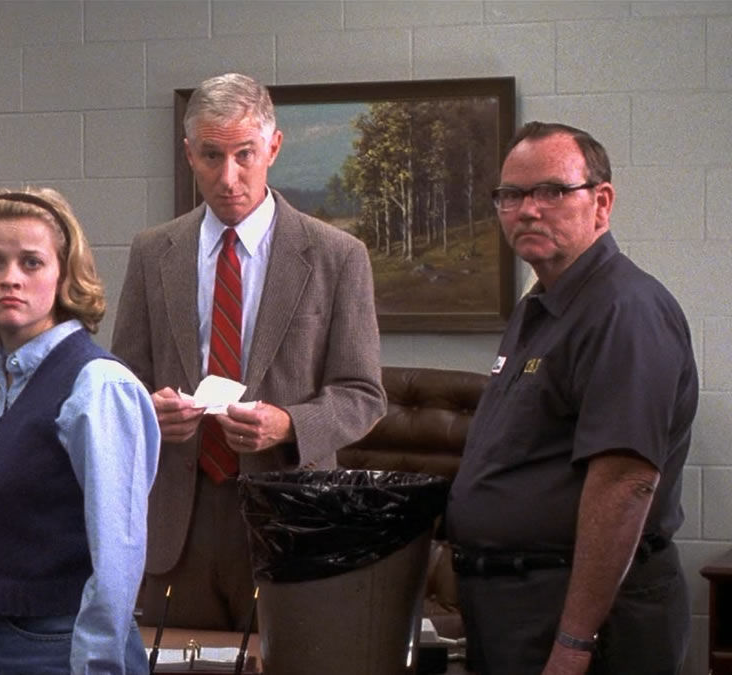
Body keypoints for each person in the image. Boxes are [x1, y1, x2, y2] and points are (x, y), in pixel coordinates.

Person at [110, 72, 387, 630]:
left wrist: (288, 423)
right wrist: (148, 411)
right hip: (178, 517)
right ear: (190, 154)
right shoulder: (152, 252)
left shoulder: (337, 256)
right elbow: (124, 379)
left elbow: (363, 395)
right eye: (212, 156)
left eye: (245, 155)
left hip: (289, 510)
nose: (228, 177)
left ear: (273, 148)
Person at [445, 122, 697, 675]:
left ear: (601, 202)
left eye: (552, 191)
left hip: (584, 619)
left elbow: (625, 484)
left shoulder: (624, 310)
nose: (528, 210)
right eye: (511, 195)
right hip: (516, 608)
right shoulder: (541, 307)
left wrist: (574, 643)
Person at [0, 188, 160, 673]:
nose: (10, 278)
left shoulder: (97, 385)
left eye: (32, 262)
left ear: (63, 274)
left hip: (68, 645)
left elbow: (116, 563)